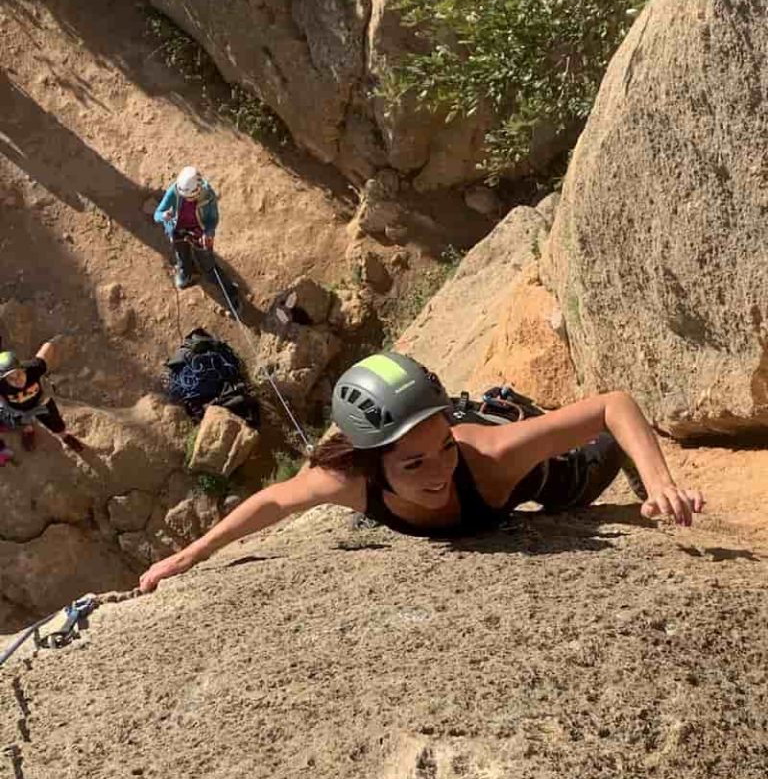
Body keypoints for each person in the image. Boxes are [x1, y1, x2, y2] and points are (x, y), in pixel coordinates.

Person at [139, 351, 705, 593]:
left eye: (442, 450)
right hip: (486, 430)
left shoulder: (484, 457)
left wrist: (658, 483)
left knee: (594, 445)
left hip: (567, 473)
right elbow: (274, 502)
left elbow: (613, 406)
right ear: (370, 465)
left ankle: (510, 406)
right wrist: (189, 556)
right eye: (414, 463)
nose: (438, 471)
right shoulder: (346, 480)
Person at [153, 166, 240, 310]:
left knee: (209, 267)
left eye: (191, 197)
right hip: (178, 231)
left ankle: (231, 292)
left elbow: (213, 219)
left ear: (198, 189)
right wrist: (164, 216)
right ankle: (186, 273)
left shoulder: (208, 195)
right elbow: (157, 214)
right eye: (185, 197)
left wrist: (209, 233)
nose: (188, 199)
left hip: (199, 234)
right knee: (182, 256)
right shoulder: (174, 192)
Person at [0, 342, 83, 452]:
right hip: (18, 410)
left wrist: (52, 342)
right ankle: (28, 430)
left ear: (22, 368)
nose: (17, 380)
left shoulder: (34, 368)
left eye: (18, 374)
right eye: (10, 378)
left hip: (41, 403)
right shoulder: (1, 385)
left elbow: (46, 350)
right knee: (21, 422)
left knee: (55, 422)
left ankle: (64, 436)